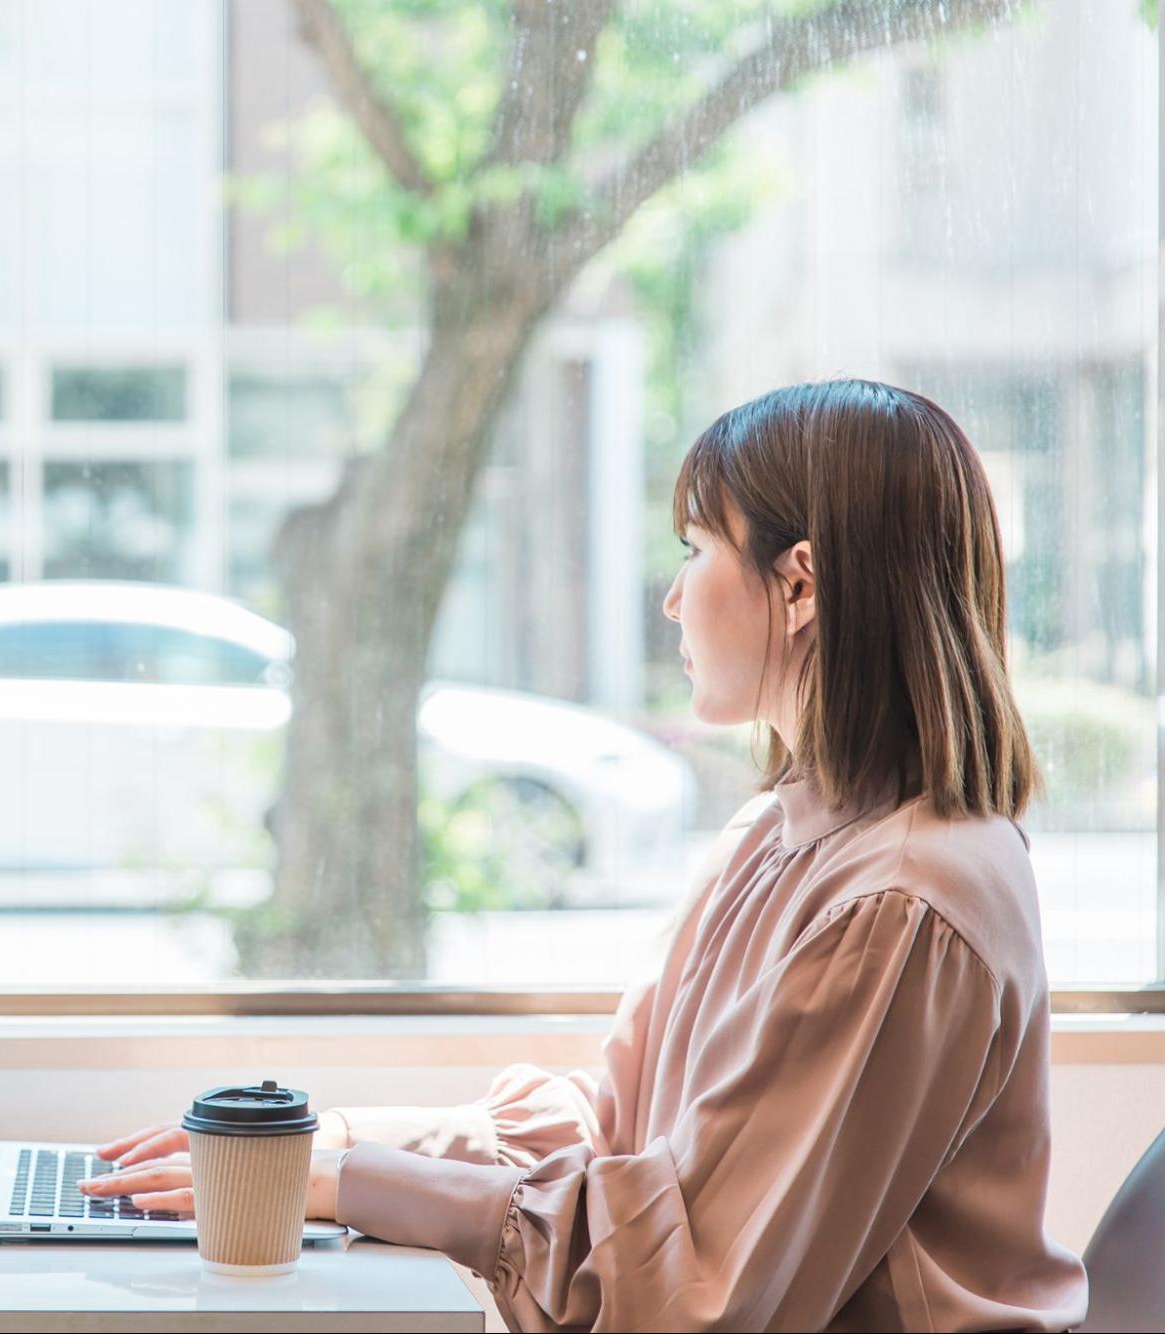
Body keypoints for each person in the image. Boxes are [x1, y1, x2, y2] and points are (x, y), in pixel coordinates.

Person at [81, 380, 1090, 1331]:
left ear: (799, 585)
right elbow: (615, 1125)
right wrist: (337, 1145)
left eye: (695, 548)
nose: (671, 597)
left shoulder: (901, 901)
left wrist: (353, 1184)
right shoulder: (779, 833)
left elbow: (682, 1280)